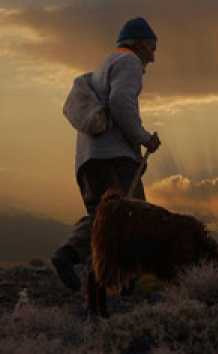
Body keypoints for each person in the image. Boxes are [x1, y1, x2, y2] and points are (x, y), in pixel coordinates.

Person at [52, 17, 161, 291]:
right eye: (151, 46)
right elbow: (121, 103)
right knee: (133, 214)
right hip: (114, 158)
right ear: (137, 43)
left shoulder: (104, 67)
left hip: (88, 159)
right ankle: (132, 281)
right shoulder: (129, 63)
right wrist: (144, 138)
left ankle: (71, 256)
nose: (153, 55)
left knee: (103, 217)